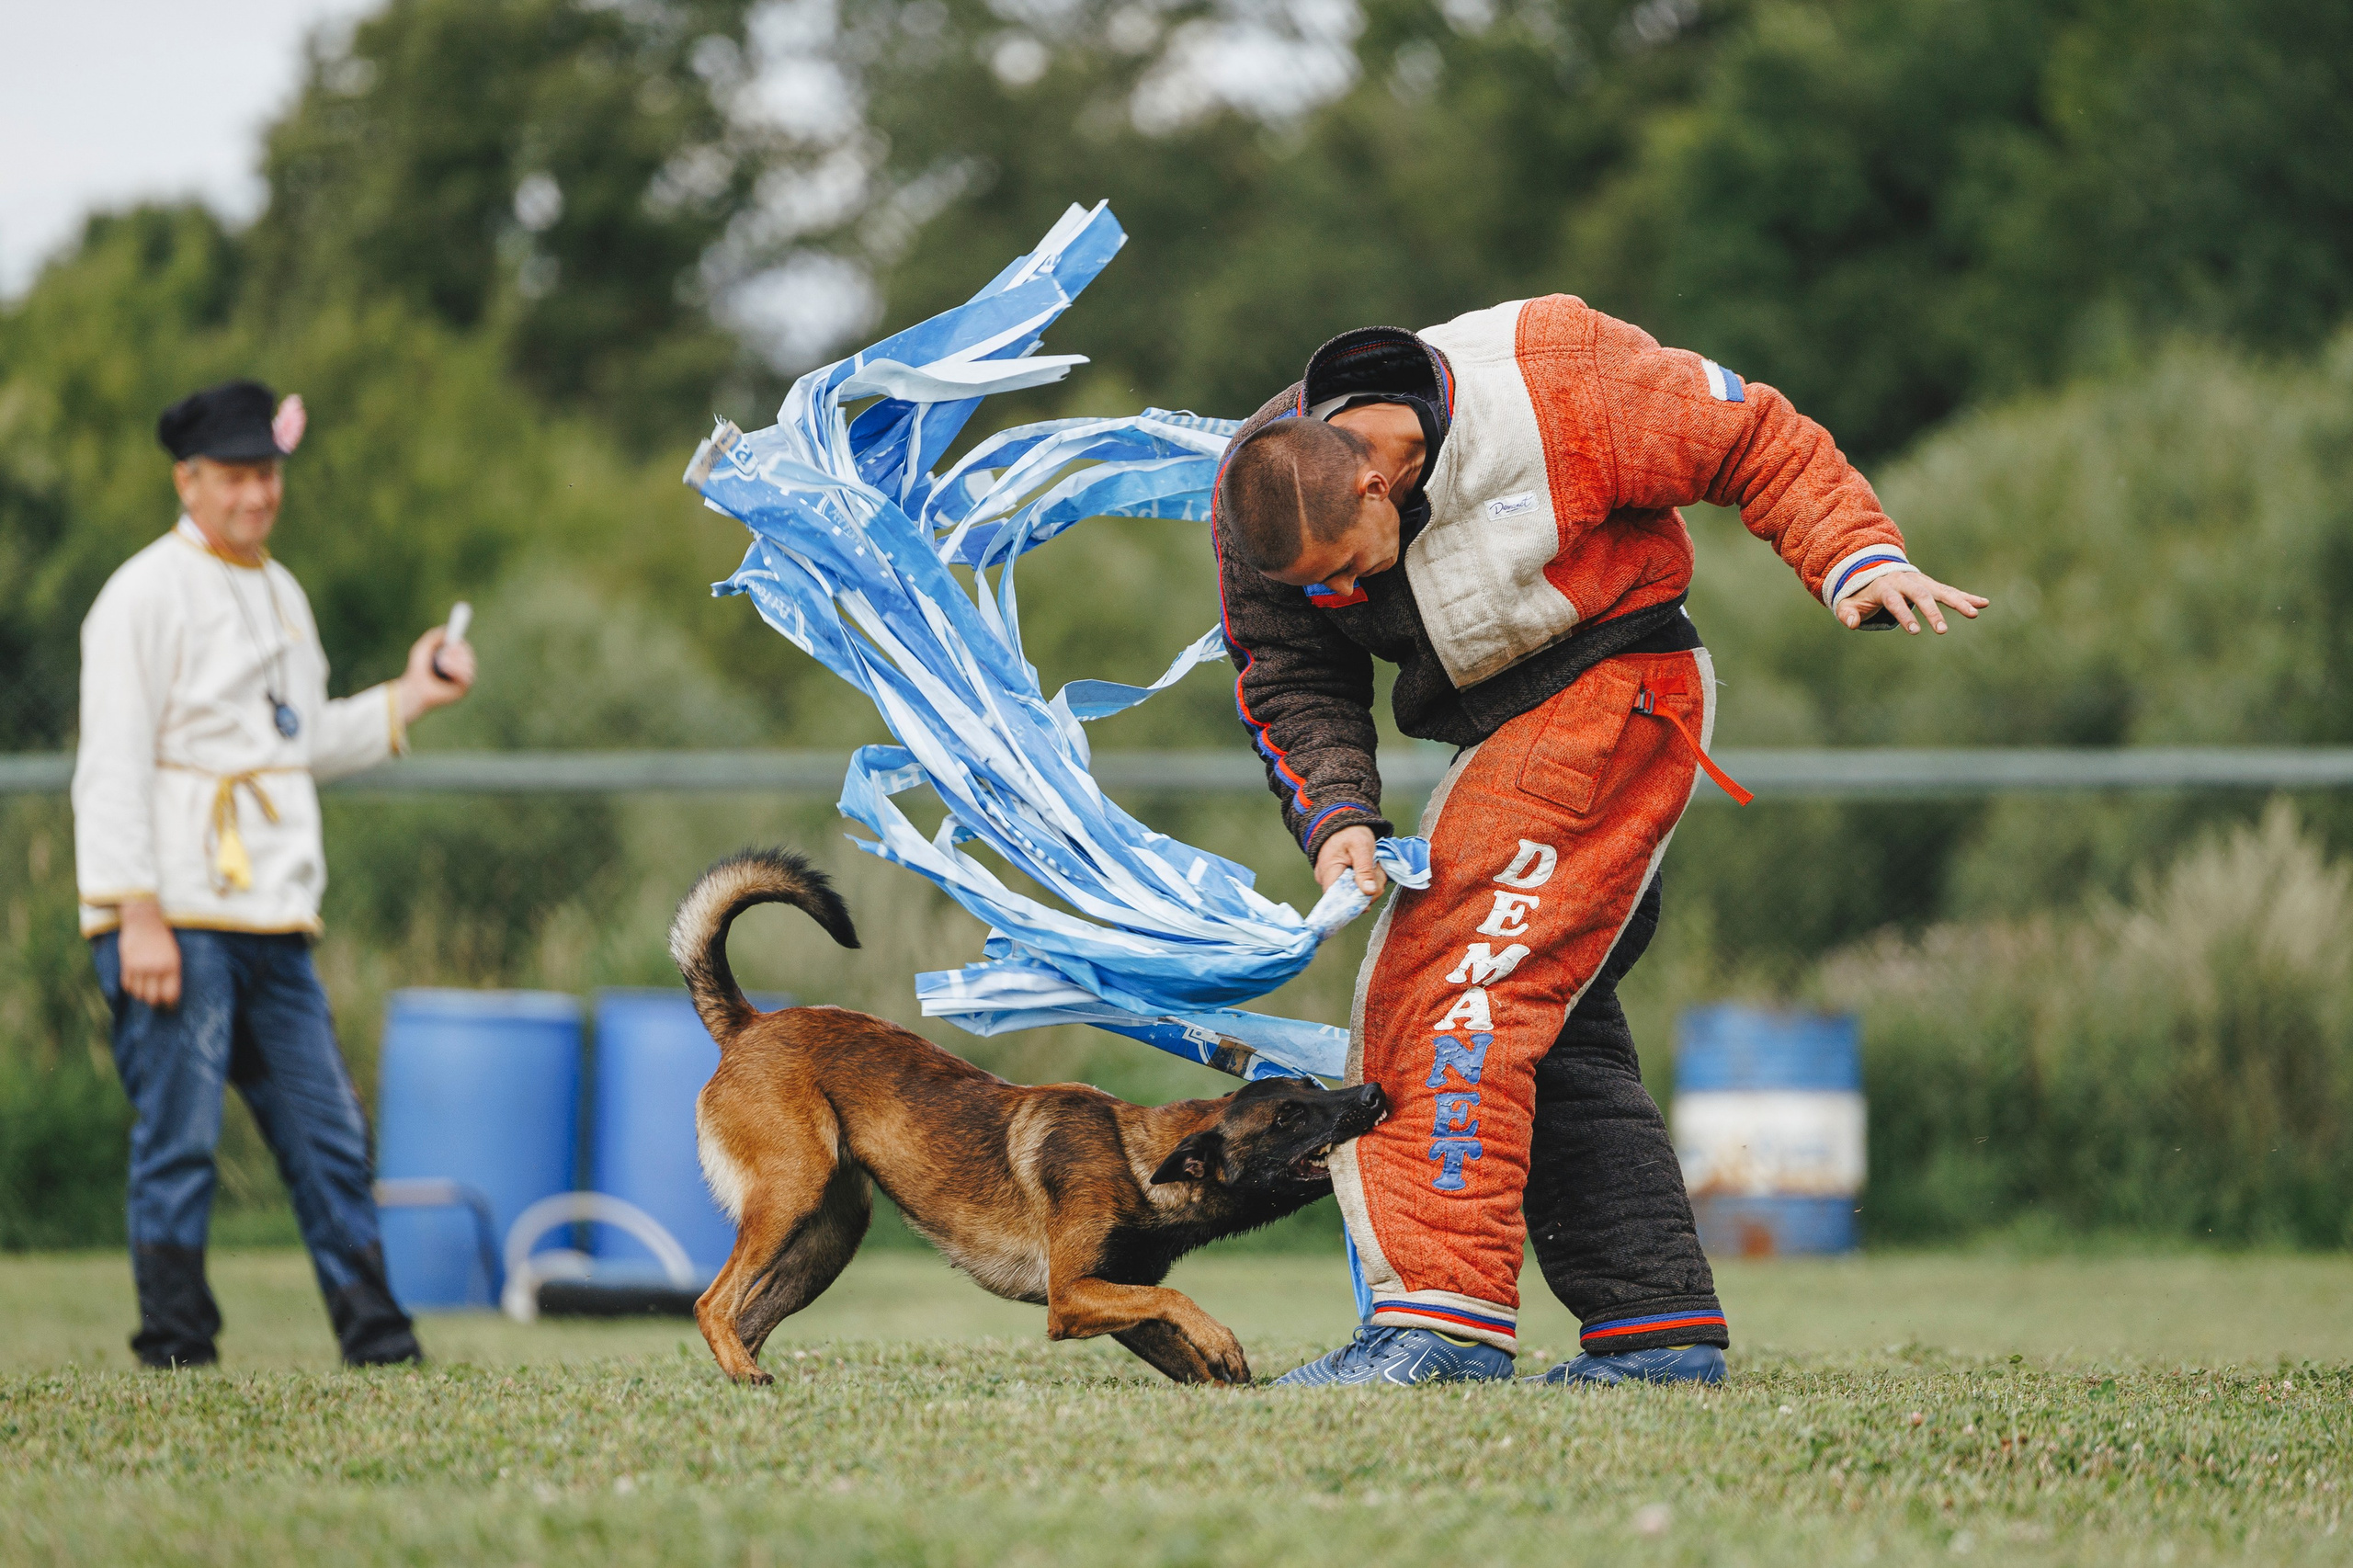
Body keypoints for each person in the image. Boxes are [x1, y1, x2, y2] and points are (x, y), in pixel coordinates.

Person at [1211, 301, 1985, 1387]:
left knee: (1447, 985)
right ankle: (1654, 1331)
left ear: (1379, 485)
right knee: (1547, 1019)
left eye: (1341, 570)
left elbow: (1750, 433)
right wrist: (1338, 817)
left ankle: (1440, 1326)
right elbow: (1290, 673)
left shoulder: (1554, 379)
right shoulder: (1258, 487)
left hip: (1618, 686)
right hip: (1497, 733)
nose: (1335, 596)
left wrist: (1852, 555)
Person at [72, 380, 477, 1369]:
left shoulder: (282, 593)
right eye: (236, 476)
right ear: (189, 480)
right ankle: (175, 1345)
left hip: (275, 919)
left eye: (268, 474)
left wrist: (410, 696)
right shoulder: (140, 594)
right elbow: (111, 763)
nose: (257, 494)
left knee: (329, 1135)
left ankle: (379, 1340)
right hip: (175, 913)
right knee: (180, 1139)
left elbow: (300, 741)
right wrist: (136, 912)